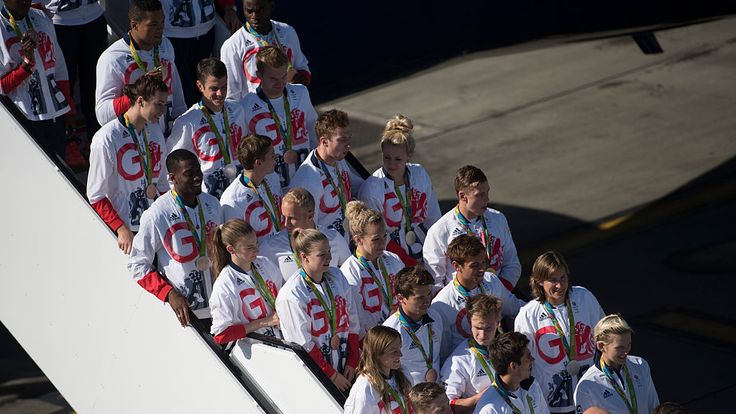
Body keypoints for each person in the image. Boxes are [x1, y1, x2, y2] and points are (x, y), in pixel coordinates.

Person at [128, 149, 224, 326]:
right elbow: (137, 264)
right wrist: (168, 293)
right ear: (172, 178)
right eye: (189, 173)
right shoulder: (157, 214)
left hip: (221, 304)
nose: (197, 177)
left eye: (198, 170)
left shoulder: (212, 203)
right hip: (188, 311)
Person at [87, 74, 170, 254]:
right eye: (159, 104)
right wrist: (120, 228)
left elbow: (162, 184)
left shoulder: (155, 131)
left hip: (157, 224)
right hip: (128, 231)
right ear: (141, 101)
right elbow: (96, 196)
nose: (163, 111)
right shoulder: (107, 138)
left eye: (165, 104)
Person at [514, 251, 605, 414]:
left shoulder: (584, 297)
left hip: (591, 397)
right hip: (552, 405)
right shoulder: (527, 315)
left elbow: (606, 336)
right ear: (539, 281)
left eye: (563, 278)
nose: (560, 286)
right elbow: (522, 361)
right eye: (553, 280)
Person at [275, 228, 359, 393]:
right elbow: (302, 344)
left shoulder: (337, 276)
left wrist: (353, 359)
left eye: (329, 251)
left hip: (345, 368)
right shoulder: (292, 294)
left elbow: (352, 318)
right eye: (322, 255)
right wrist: (332, 375)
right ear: (304, 257)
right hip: (316, 377)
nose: (329, 258)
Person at [358, 114, 441, 265]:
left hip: (427, 251)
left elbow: (434, 219)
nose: (392, 164)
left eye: (398, 159)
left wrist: (440, 250)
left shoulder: (419, 174)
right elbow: (377, 236)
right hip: (392, 259)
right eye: (387, 157)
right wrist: (408, 263)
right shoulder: (371, 189)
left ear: (409, 156)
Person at [95, 0, 186, 137]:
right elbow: (103, 115)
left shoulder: (166, 45)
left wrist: (180, 127)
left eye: (162, 22)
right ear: (134, 25)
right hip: (134, 141)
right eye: (153, 24)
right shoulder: (113, 58)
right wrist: (139, 90)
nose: (160, 28)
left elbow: (177, 96)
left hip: (164, 139)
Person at [423, 165, 520, 292]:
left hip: (499, 297)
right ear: (463, 196)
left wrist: (499, 292)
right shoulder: (440, 231)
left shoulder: (498, 219)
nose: (487, 199)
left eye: (487, 192)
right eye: (480, 195)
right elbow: (435, 282)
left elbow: (512, 265)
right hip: (464, 305)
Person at [0, 0, 76, 160]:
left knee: (60, 173)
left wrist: (68, 108)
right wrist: (26, 67)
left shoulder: (41, 17)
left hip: (54, 115)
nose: (26, 1)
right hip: (21, 120)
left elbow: (59, 68)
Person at [431, 234, 525, 360]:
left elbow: (516, 308)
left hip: (497, 357)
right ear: (456, 266)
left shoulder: (490, 280)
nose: (482, 269)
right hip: (468, 367)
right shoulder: (442, 304)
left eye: (483, 262)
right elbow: (444, 354)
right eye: (474, 265)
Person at [169, 57, 247, 199]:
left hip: (240, 192)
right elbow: (173, 164)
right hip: (210, 197)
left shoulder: (238, 110)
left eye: (224, 87)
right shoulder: (187, 122)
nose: (220, 94)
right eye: (214, 88)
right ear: (200, 86)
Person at [243, 45, 317, 190]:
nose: (280, 83)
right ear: (259, 75)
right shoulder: (245, 106)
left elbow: (313, 130)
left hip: (305, 178)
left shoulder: (301, 92)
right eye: (273, 78)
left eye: (283, 76)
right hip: (271, 186)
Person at [290, 109, 363, 243]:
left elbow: (358, 186)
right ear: (324, 142)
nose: (348, 145)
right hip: (328, 251)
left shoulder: (338, 160)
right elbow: (307, 231)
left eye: (349, 138)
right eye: (342, 140)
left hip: (346, 242)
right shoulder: (308, 181)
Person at [41, 0, 107, 144]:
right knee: (62, 83)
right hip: (58, 23)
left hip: (94, 18)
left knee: (95, 84)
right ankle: (67, 140)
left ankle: (96, 139)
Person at [208, 219, 283, 344]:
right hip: (256, 350)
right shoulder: (225, 284)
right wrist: (264, 322)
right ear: (231, 249)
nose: (256, 250)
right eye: (249, 247)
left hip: (281, 341)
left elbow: (280, 296)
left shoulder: (264, 263)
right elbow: (221, 335)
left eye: (256, 244)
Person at [220, 0, 310, 100]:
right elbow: (232, 96)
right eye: (249, 11)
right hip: (257, 113)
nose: (254, 16)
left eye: (259, 10)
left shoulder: (287, 32)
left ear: (271, 5)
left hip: (291, 105)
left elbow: (303, 70)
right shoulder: (232, 45)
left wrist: (297, 78)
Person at [341, 201, 405, 339]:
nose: (383, 243)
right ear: (358, 240)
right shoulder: (349, 272)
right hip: (372, 341)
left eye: (385, 236)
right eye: (376, 239)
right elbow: (355, 319)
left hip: (400, 334)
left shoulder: (393, 260)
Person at [159, 0, 241, 106]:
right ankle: (188, 121)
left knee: (208, 87)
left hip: (206, 31)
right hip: (173, 35)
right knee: (184, 92)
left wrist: (229, 8)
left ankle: (210, 120)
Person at [574, 315, 659, 414]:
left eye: (629, 345)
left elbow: (654, 407)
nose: (626, 351)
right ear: (601, 346)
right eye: (620, 347)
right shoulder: (587, 386)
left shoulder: (640, 365)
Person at [259, 187, 350, 280]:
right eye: (284, 217)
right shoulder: (270, 246)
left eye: (292, 218)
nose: (286, 223)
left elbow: (349, 276)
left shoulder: (334, 238)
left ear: (310, 215)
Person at [440, 295, 503, 414]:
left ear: (498, 322)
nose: (483, 335)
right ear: (469, 321)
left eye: (488, 328)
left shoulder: (508, 349)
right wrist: (488, 395)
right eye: (478, 328)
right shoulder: (459, 360)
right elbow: (449, 405)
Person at [383, 266, 443, 385]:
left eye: (429, 294)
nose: (427, 301)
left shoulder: (435, 317)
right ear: (401, 298)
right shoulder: (391, 330)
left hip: (437, 392)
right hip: (409, 397)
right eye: (420, 297)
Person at [220, 134, 282, 239]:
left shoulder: (273, 177)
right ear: (258, 163)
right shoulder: (232, 200)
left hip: (281, 247)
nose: (276, 158)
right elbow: (236, 242)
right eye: (272, 155)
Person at [473, 332, 549, 414]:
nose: (532, 359)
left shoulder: (532, 386)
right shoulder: (490, 408)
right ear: (514, 366)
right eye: (528, 356)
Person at [344, 325, 413, 414]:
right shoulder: (365, 388)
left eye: (399, 349)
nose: (400, 354)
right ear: (377, 354)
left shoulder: (403, 373)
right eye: (394, 351)